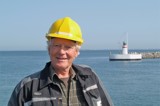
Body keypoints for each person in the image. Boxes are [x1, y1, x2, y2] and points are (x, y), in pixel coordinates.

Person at [8, 17, 114, 106]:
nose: (61, 52)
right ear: (49, 49)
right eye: (56, 45)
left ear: (76, 52)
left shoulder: (90, 77)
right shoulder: (28, 87)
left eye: (68, 47)